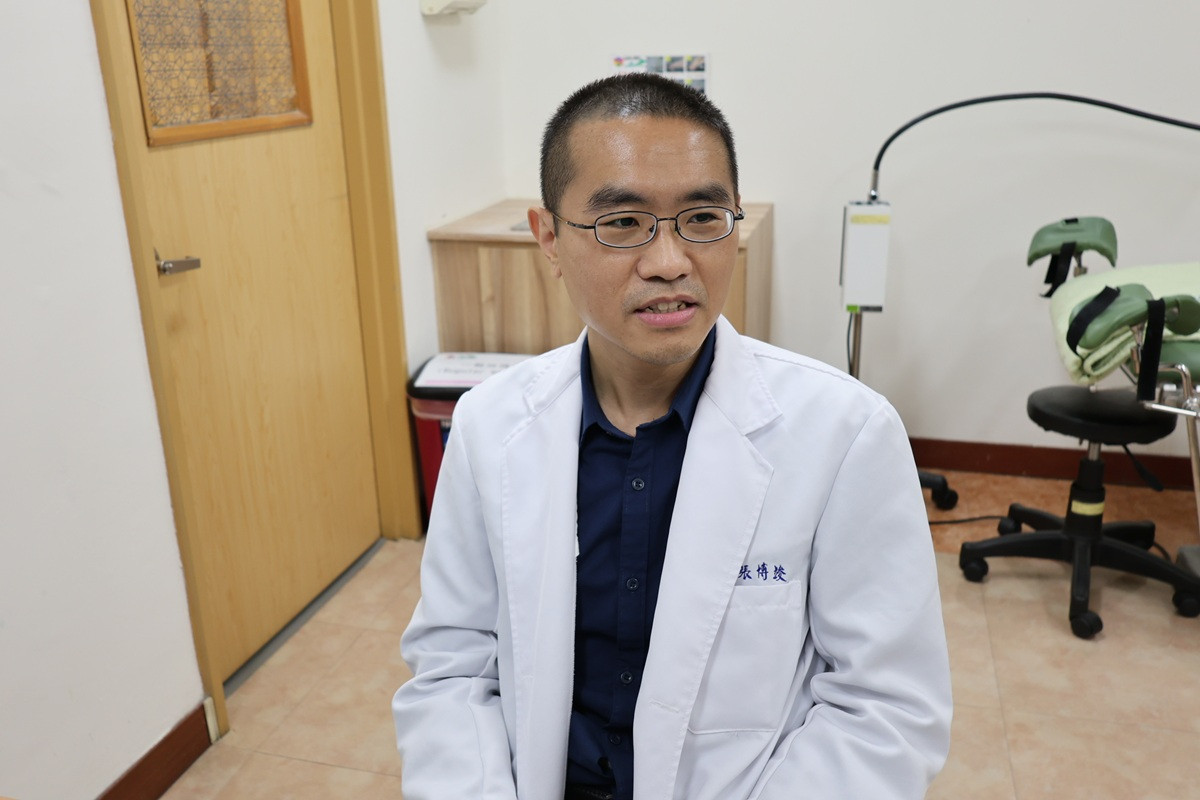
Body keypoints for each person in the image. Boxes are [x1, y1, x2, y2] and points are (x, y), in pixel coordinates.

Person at [393, 73, 952, 800]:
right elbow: (453, 666)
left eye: (703, 218)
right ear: (549, 238)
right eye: (623, 223)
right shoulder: (488, 426)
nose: (669, 262)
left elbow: (885, 711)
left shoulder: (846, 434)